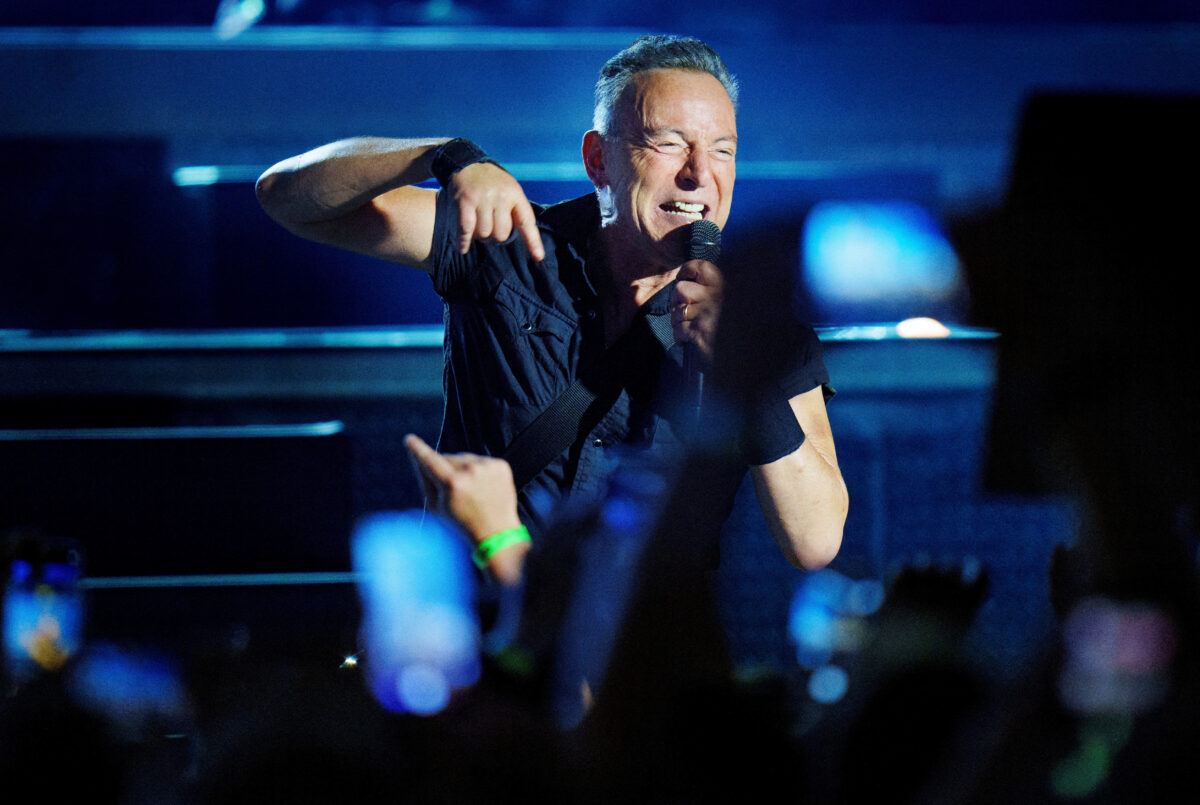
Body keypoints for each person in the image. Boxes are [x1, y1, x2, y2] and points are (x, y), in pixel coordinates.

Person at [256, 34, 847, 572]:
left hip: (633, 648)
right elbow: (284, 196)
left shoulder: (765, 324)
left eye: (722, 150)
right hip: (483, 632)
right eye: (669, 144)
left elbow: (815, 541)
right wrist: (446, 157)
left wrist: (745, 363)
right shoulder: (503, 241)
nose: (699, 173)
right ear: (598, 160)